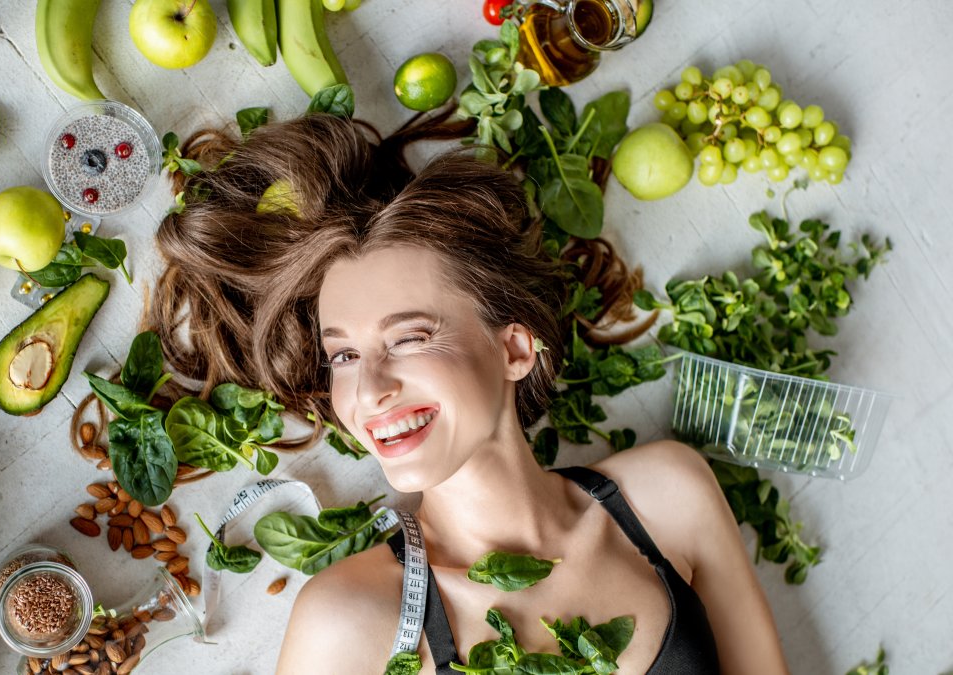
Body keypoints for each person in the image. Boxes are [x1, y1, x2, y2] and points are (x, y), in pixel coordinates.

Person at [148, 114, 789, 674]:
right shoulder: (350, 619)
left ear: (513, 349)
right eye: (344, 355)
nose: (369, 390)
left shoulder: (667, 496)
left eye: (409, 338)